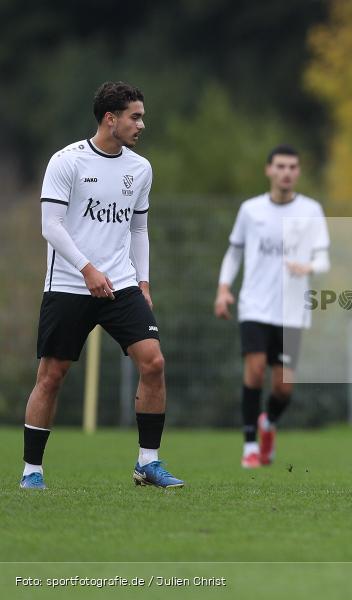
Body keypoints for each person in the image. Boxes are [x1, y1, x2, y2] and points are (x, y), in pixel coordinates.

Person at [20, 81, 183, 490]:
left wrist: (143, 280)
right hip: (70, 284)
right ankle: (32, 471)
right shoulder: (66, 162)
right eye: (135, 116)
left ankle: (148, 463)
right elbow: (50, 226)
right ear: (111, 119)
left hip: (122, 285)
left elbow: (139, 228)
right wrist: (87, 268)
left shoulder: (140, 168)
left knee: (154, 363)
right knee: (51, 375)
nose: (141, 124)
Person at [214, 145, 330, 468]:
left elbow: (323, 258)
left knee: (284, 387)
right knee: (253, 370)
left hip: (292, 312)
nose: (286, 172)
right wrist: (223, 290)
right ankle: (250, 445)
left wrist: (308, 267)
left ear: (298, 172)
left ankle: (268, 423)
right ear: (268, 170)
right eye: (280, 166)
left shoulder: (311, 210)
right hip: (254, 307)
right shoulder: (251, 210)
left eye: (292, 167)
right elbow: (234, 252)